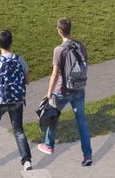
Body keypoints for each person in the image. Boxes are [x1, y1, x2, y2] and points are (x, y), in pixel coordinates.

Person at [39, 18, 93, 166]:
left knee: (52, 114)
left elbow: (55, 73)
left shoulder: (59, 50)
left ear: (59, 31)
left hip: (63, 91)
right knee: (82, 122)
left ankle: (49, 145)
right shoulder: (80, 45)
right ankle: (87, 155)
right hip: (79, 88)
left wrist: (49, 94)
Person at [0, 29, 32, 170]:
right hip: (17, 100)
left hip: (0, 101)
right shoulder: (20, 59)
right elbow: (27, 81)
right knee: (18, 130)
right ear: (11, 42)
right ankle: (27, 161)